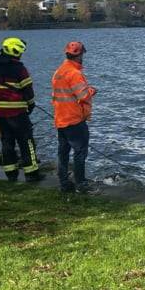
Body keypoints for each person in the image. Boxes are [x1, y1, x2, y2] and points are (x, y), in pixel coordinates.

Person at [0, 37, 44, 183]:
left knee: (7, 144)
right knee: (27, 143)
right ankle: (32, 175)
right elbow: (28, 91)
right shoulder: (20, 69)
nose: (21, 55)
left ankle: (11, 174)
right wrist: (30, 105)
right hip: (18, 114)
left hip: (1, 114)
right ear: (15, 52)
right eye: (20, 52)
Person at [51, 41, 97, 194]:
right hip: (74, 120)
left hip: (61, 119)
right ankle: (81, 183)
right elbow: (83, 95)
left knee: (63, 152)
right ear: (80, 55)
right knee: (80, 152)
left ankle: (64, 182)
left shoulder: (59, 71)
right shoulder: (74, 73)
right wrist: (92, 90)